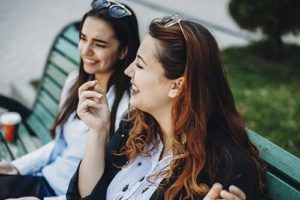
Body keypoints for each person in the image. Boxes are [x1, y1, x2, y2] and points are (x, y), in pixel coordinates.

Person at [66, 14, 268, 200]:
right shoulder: (135, 126)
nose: (128, 71)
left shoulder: (225, 170)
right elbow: (86, 196)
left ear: (176, 86)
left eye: (140, 65)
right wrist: (99, 130)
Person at [0, 0, 140, 199]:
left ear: (124, 51)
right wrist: (16, 167)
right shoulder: (76, 80)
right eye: (83, 38)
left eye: (99, 44)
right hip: (41, 180)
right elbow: (59, 146)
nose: (86, 50)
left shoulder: (126, 111)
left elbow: (105, 188)